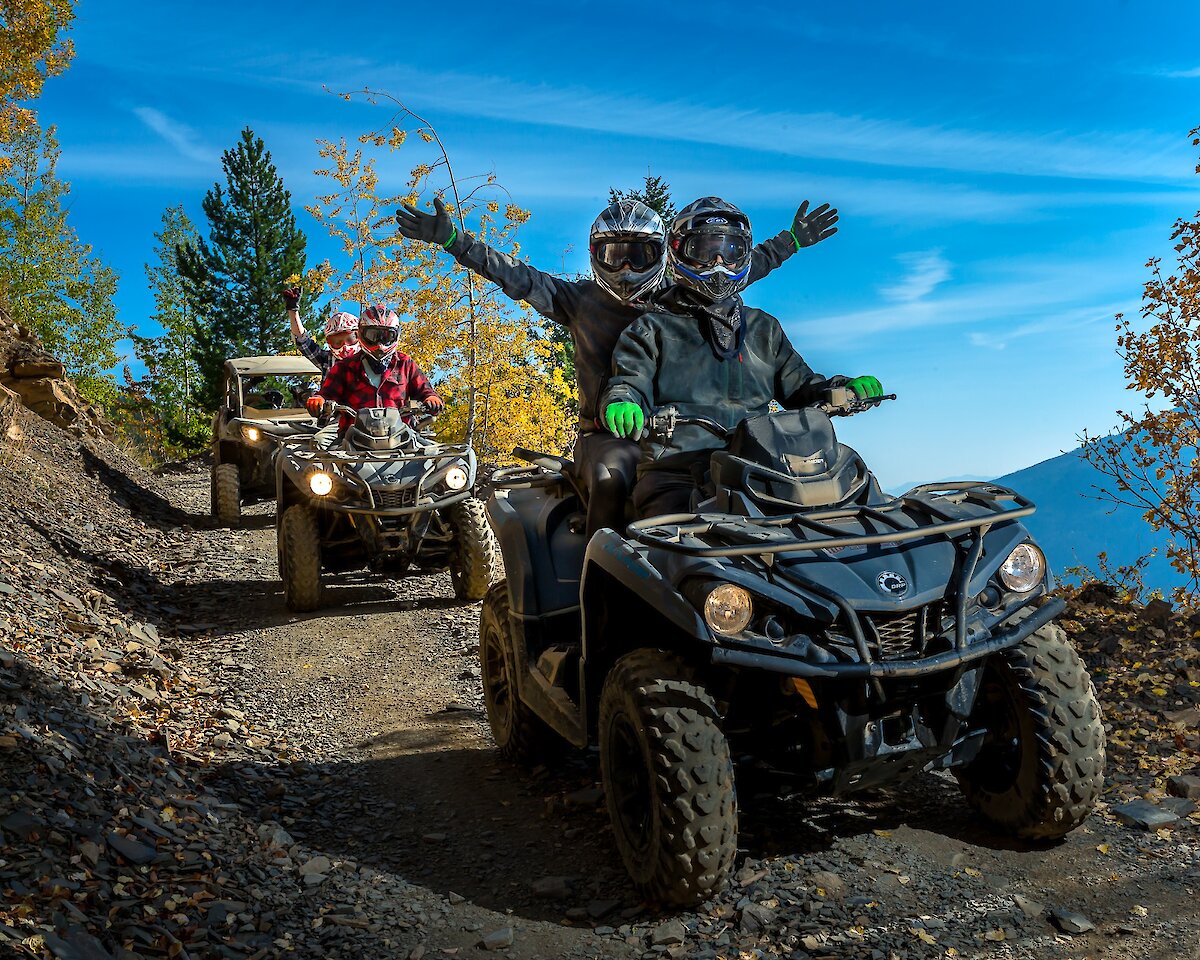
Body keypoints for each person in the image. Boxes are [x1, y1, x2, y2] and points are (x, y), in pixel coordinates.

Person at [393, 195, 838, 537]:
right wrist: (456, 241)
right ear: (595, 256)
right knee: (613, 475)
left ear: (664, 256)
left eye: (639, 255)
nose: (625, 266)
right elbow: (514, 275)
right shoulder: (579, 300)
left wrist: (791, 241)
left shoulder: (679, 295)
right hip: (606, 432)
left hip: (676, 433)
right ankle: (599, 561)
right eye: (613, 254)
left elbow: (736, 267)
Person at [600, 197, 882, 519]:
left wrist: (844, 388)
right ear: (679, 253)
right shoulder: (651, 328)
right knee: (672, 545)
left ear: (744, 256)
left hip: (764, 469)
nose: (719, 264)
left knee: (852, 516)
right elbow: (628, 379)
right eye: (704, 252)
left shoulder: (764, 328)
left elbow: (802, 387)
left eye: (731, 252)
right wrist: (624, 400)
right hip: (678, 470)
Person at [305, 305, 444, 429]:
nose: (379, 343)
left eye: (386, 336)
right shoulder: (344, 367)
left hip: (401, 433)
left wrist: (431, 399)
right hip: (353, 435)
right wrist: (319, 400)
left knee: (436, 454)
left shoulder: (405, 363)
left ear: (396, 335)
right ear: (361, 334)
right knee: (318, 446)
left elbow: (425, 390)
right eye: (372, 335)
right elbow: (327, 393)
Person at [282, 285, 359, 378]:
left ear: (359, 335)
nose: (345, 347)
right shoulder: (327, 360)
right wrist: (293, 310)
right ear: (329, 343)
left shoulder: (370, 362)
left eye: (350, 339)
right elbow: (302, 341)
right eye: (337, 342)